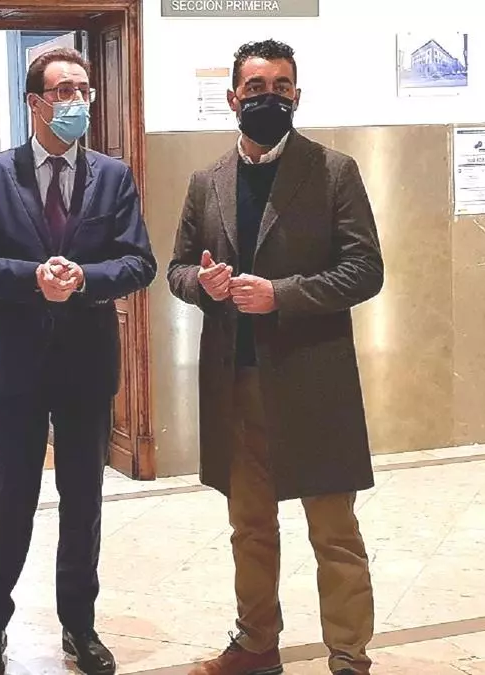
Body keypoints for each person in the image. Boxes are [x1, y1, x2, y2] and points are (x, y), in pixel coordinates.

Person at [167, 39, 383, 675]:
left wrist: (279, 296)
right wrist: (202, 285)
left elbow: (365, 269)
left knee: (334, 532)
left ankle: (349, 656)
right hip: (236, 384)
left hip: (314, 380)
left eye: (281, 87)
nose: (269, 97)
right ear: (233, 98)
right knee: (250, 527)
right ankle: (257, 643)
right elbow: (177, 268)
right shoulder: (206, 181)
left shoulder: (333, 171)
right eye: (256, 87)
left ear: (297, 95)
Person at [0, 47, 157, 675]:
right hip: (17, 366)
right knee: (10, 497)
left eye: (83, 90)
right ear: (34, 102)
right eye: (63, 91)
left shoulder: (113, 176)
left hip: (86, 365)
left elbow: (139, 262)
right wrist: (33, 278)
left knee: (83, 500)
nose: (76, 102)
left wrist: (85, 278)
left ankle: (80, 627)